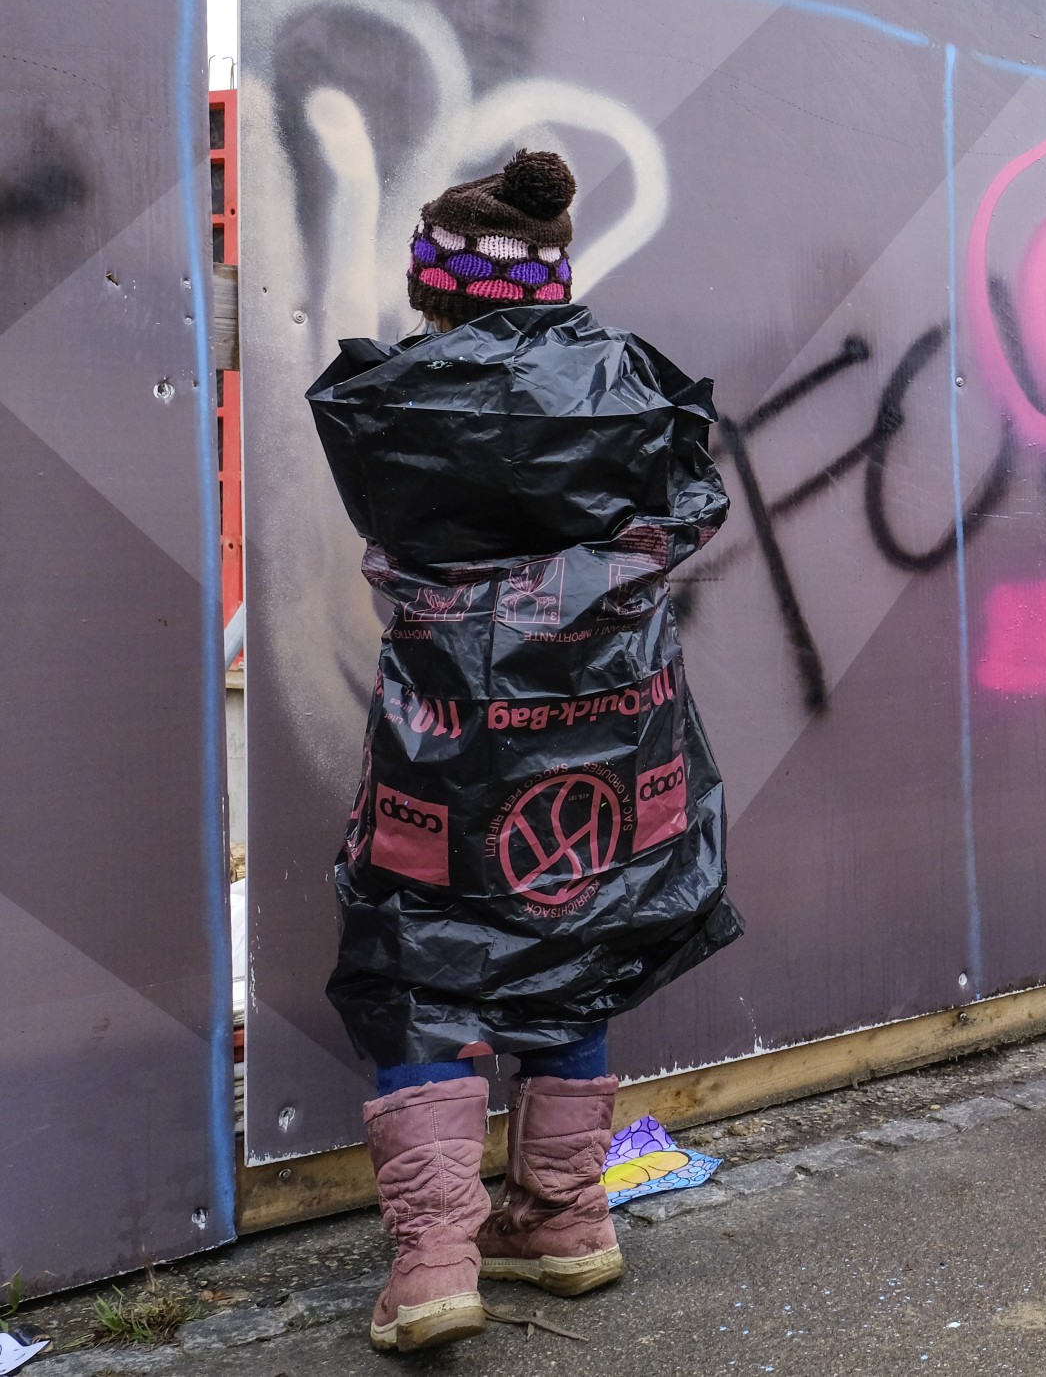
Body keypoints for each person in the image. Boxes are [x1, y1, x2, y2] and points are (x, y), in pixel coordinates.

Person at [306, 151, 740, 1353]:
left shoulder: (386, 405)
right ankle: (564, 1221)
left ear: (436, 286)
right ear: (552, 284)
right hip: (615, 739)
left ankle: (438, 1263)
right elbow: (690, 506)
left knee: (415, 955)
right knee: (581, 937)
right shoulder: (633, 392)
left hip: (449, 743)